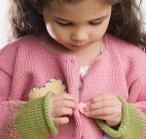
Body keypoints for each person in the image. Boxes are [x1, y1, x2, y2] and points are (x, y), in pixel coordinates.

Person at [0, 0, 146, 138]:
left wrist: (124, 117)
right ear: (38, 5)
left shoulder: (134, 61)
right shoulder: (11, 58)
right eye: (65, 23)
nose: (80, 36)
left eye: (95, 22)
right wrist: (32, 117)